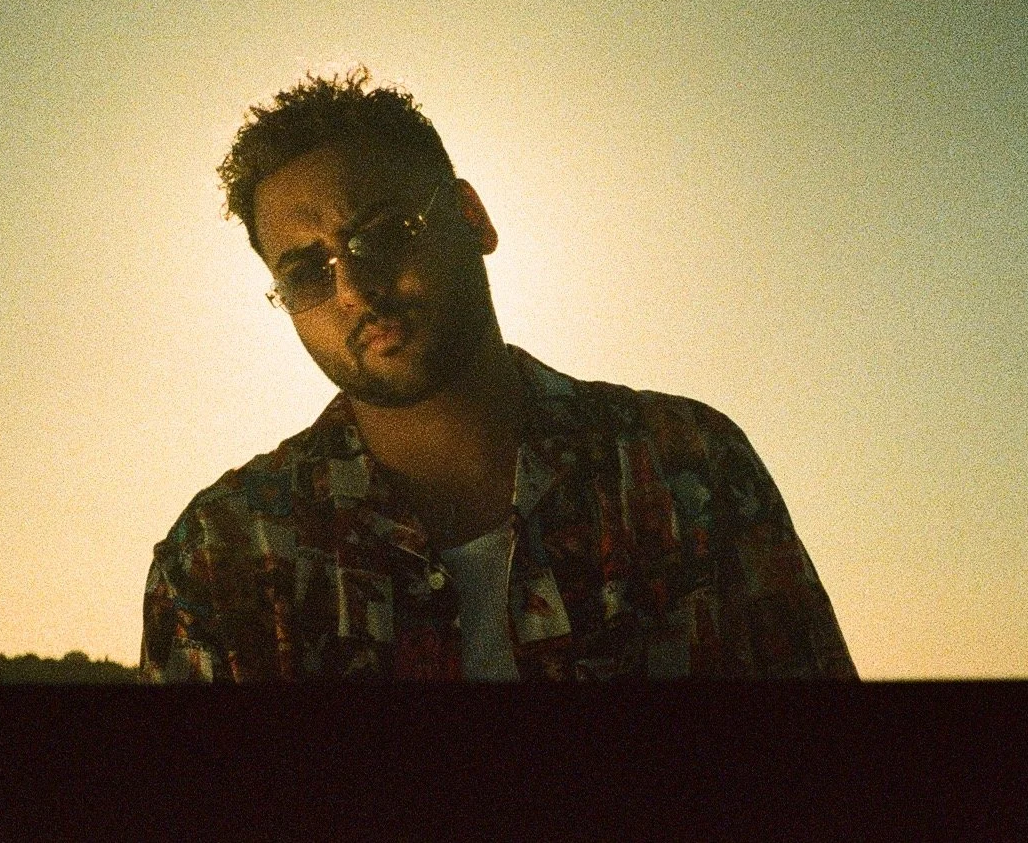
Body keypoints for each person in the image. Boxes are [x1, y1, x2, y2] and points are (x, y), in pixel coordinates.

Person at [140, 68, 857, 681]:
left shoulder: (685, 465)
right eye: (306, 272)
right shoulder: (221, 554)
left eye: (382, 234)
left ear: (472, 217)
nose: (354, 289)